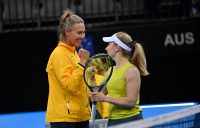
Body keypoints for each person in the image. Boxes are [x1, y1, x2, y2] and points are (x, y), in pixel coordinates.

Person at [91, 31, 150, 126]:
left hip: (131, 121)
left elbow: (131, 101)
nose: (106, 48)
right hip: (113, 121)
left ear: (117, 47)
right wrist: (92, 77)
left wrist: (106, 98)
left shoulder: (132, 71)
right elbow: (98, 94)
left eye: (109, 44)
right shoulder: (110, 70)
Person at [45, 8, 91, 128]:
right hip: (64, 119)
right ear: (67, 32)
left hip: (80, 116)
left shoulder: (74, 53)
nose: (83, 36)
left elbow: (81, 84)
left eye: (84, 32)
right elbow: (70, 86)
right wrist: (82, 63)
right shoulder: (59, 54)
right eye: (79, 33)